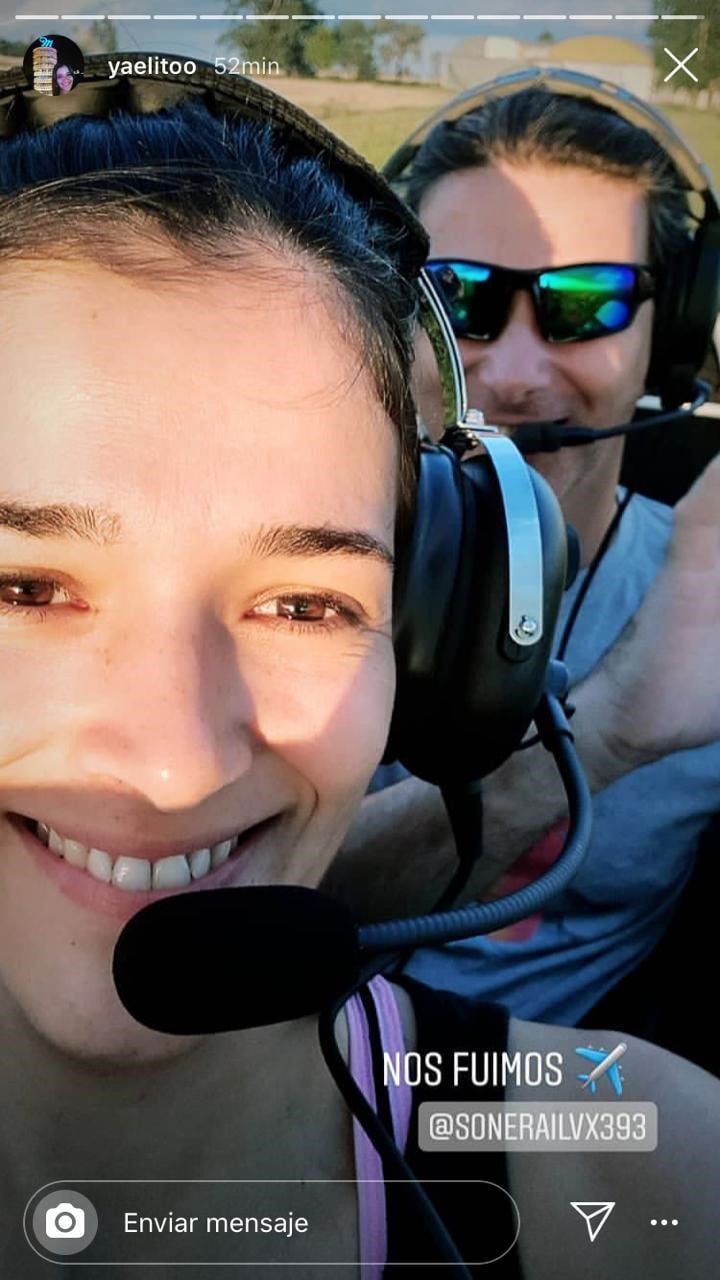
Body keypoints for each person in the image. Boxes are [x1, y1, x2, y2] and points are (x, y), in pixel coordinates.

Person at [0, 62, 718, 1278]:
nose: (175, 759)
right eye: (26, 587)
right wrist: (601, 738)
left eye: (306, 602)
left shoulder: (653, 1162)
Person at [329, 77, 720, 1035]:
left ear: (667, 341)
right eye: (456, 299)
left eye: (586, 304)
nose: (510, 374)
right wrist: (613, 723)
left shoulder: (704, 606)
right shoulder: (277, 574)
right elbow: (221, 932)